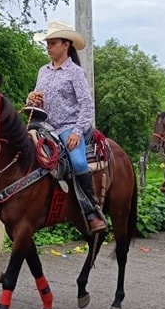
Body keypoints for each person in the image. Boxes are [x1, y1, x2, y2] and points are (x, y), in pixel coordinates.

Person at [26, 20, 107, 233]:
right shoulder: (43, 71)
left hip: (68, 126)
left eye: (53, 43)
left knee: (79, 162)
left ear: (66, 45)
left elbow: (87, 105)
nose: (48, 46)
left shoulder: (75, 72)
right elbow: (37, 102)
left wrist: (78, 133)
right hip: (44, 125)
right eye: (48, 43)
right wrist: (32, 99)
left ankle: (91, 211)